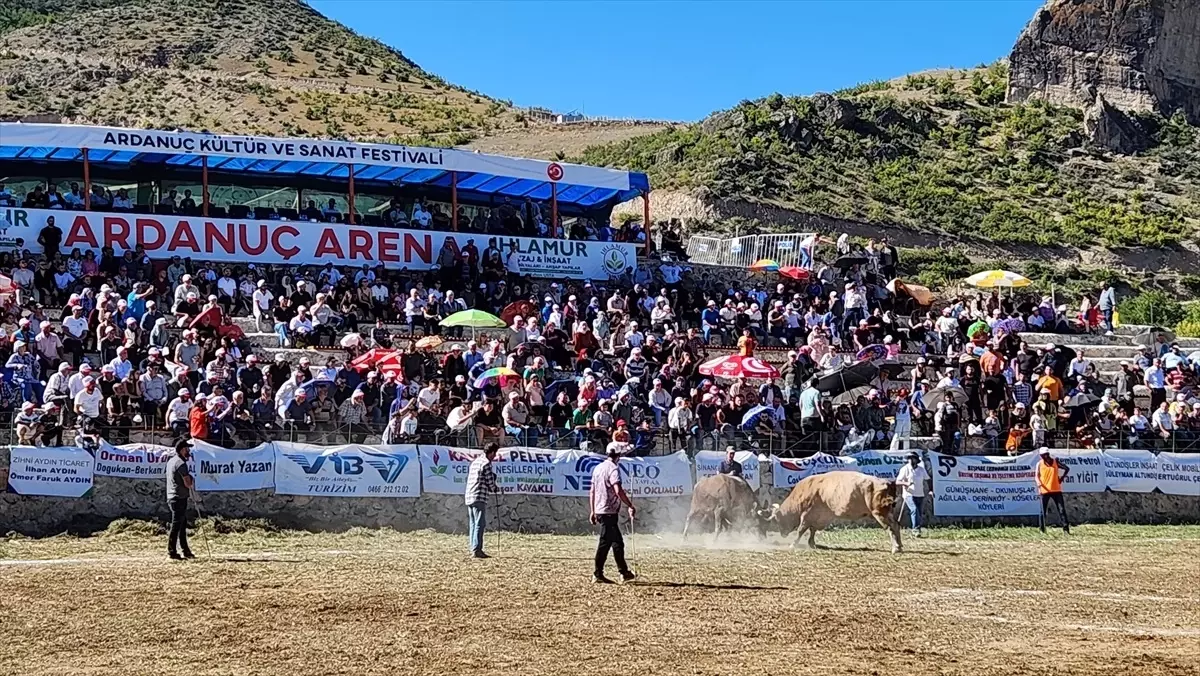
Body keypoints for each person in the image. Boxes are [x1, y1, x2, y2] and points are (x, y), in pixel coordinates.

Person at [589, 446, 636, 584]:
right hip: (609, 511)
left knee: (615, 542)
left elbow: (592, 491)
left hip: (600, 510)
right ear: (618, 456)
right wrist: (630, 505)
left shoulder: (598, 468)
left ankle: (623, 572)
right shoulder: (613, 469)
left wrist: (592, 510)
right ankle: (599, 573)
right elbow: (618, 490)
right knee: (606, 543)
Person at [464, 442, 502, 559]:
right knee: (480, 523)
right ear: (491, 452)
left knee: (473, 523)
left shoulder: (475, 462)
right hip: (479, 496)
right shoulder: (486, 463)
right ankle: (477, 550)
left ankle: (473, 547)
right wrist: (496, 488)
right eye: (494, 454)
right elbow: (490, 483)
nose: (494, 457)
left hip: (469, 496)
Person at [165, 440, 195, 560]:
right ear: (182, 449)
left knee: (181, 524)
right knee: (177, 525)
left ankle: (185, 550)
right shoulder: (181, 464)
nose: (189, 451)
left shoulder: (171, 461)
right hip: (179, 497)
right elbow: (187, 483)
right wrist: (192, 478)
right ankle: (171, 551)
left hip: (172, 496)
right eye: (187, 449)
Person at [894, 452, 930, 537]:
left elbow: (928, 479)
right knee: (914, 510)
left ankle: (917, 528)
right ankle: (915, 530)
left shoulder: (921, 469)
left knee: (919, 512)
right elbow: (898, 481)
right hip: (909, 493)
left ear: (916, 460)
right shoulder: (905, 469)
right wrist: (906, 483)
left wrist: (930, 490)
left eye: (912, 458)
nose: (910, 460)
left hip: (920, 493)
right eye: (909, 458)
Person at [1035, 448, 1070, 534]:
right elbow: (1036, 476)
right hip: (1044, 490)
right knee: (1042, 511)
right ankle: (1042, 530)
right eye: (1043, 455)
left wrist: (1061, 478)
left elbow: (1066, 468)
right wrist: (1039, 483)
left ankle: (1066, 529)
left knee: (1061, 510)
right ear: (1041, 456)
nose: (1045, 456)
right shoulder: (1039, 464)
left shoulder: (1055, 462)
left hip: (1056, 490)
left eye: (1046, 454)